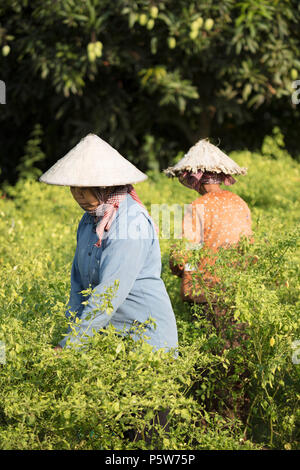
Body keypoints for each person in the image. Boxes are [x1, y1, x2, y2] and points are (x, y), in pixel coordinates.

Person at [39, 133, 178, 354]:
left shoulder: (131, 223)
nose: (78, 196)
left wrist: (72, 346)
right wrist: (71, 335)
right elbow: (78, 286)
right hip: (108, 339)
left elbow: (108, 294)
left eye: (84, 189)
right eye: (73, 188)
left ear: (105, 187)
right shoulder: (88, 221)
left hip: (145, 341)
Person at [164, 139, 253, 345]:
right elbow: (248, 246)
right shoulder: (240, 204)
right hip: (237, 290)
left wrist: (182, 269)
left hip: (204, 293)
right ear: (220, 177)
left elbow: (182, 256)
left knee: (210, 352)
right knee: (237, 350)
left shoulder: (196, 207)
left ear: (195, 179)